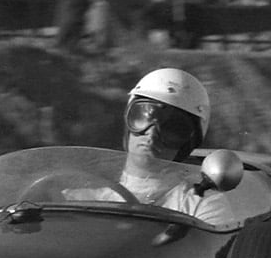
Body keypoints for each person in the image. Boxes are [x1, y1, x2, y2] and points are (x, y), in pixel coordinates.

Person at [62, 69, 240, 227]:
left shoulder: (200, 208)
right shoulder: (80, 199)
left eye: (173, 127)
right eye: (142, 116)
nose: (152, 134)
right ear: (127, 122)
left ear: (188, 143)